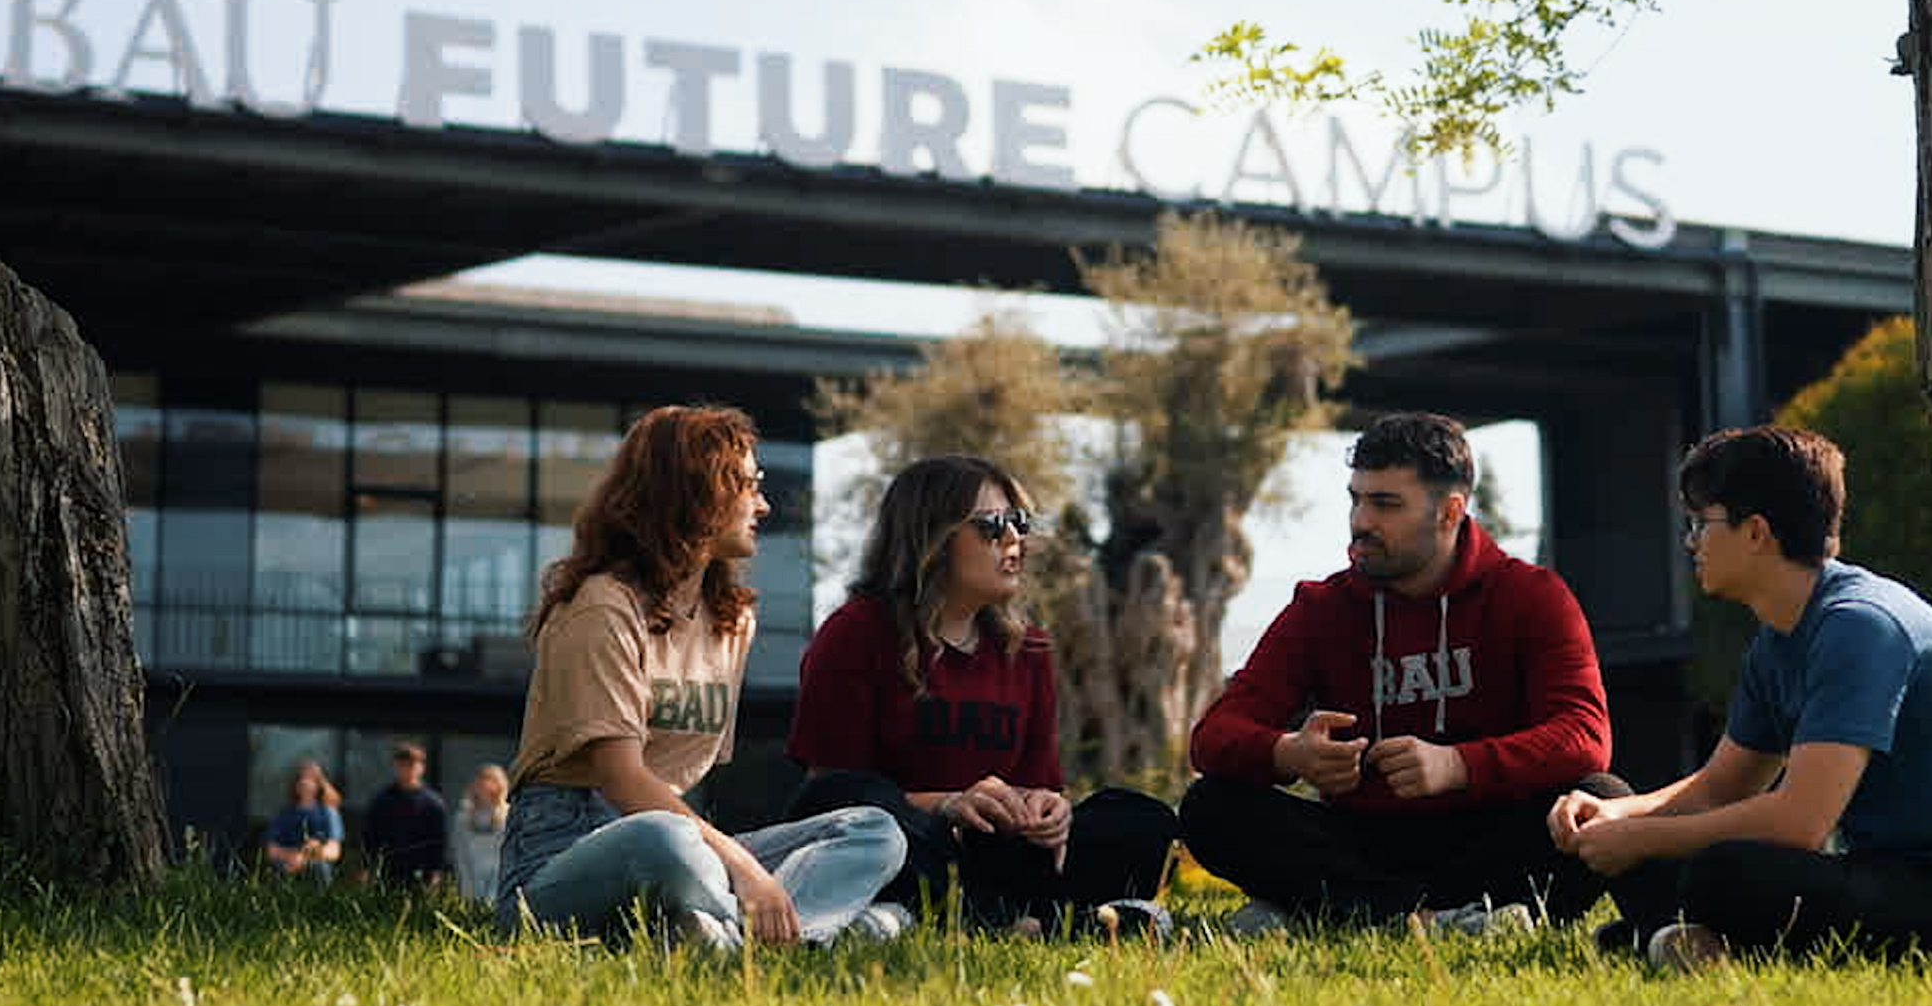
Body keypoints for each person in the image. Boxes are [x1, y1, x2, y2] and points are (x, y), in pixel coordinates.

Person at [1551, 425, 1932, 970]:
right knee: (1598, 790)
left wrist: (1643, 840)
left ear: (1756, 532)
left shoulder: (1860, 626)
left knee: (1722, 872)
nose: (1691, 541)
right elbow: (1721, 787)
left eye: (1702, 522)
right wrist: (1616, 814)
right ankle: (1682, 938)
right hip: (1882, 876)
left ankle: (1677, 935)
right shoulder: (1777, 640)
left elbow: (1801, 823)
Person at [1181, 411, 1616, 930]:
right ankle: (1423, 917)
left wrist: (1457, 765)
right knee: (1211, 806)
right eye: (1356, 499)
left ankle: (1335, 912)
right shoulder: (1321, 607)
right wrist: (1288, 752)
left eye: (1385, 504)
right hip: (1359, 840)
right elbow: (1213, 738)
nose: (1361, 521)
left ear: (1450, 511)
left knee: (1604, 799)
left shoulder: (1531, 596)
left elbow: (1584, 736)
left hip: (1489, 835)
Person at [495, 404, 910, 947]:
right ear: (695, 490)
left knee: (874, 830)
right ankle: (820, 932)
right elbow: (622, 780)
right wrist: (746, 870)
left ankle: (727, 937)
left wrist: (739, 869)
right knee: (669, 839)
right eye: (746, 484)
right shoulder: (603, 606)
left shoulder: (730, 622)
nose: (762, 503)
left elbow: (676, 785)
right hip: (564, 852)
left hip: (682, 844)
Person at [787, 455, 1180, 934]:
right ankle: (1045, 923)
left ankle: (1010, 919)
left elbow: (1041, 782)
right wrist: (949, 803)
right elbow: (831, 799)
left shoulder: (1028, 647)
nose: (1015, 540)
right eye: (993, 527)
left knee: (1139, 817)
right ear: (930, 537)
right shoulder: (855, 634)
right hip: (914, 847)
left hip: (999, 852)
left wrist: (1047, 809)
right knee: (855, 800)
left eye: (1020, 524)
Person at [359, 740, 450, 888]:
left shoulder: (433, 804)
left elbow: (439, 843)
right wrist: (365, 868)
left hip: (421, 875)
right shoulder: (381, 800)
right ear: (395, 766)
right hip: (387, 873)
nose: (407, 770)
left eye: (412, 765)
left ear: (422, 768)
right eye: (402, 765)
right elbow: (370, 837)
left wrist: (435, 874)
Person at [262, 757, 342, 881]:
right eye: (301, 778)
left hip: (315, 868)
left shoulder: (328, 813)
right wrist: (293, 856)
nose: (305, 783)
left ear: (319, 783)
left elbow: (333, 852)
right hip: (287, 867)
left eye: (310, 779)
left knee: (319, 869)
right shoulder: (284, 814)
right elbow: (272, 850)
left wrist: (307, 856)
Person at [450, 762, 512, 912]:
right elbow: (460, 854)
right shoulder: (463, 816)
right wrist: (467, 889)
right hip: (472, 880)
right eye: (482, 779)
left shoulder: (509, 815)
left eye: (491, 779)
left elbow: (509, 853)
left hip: (499, 882)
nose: (485, 784)